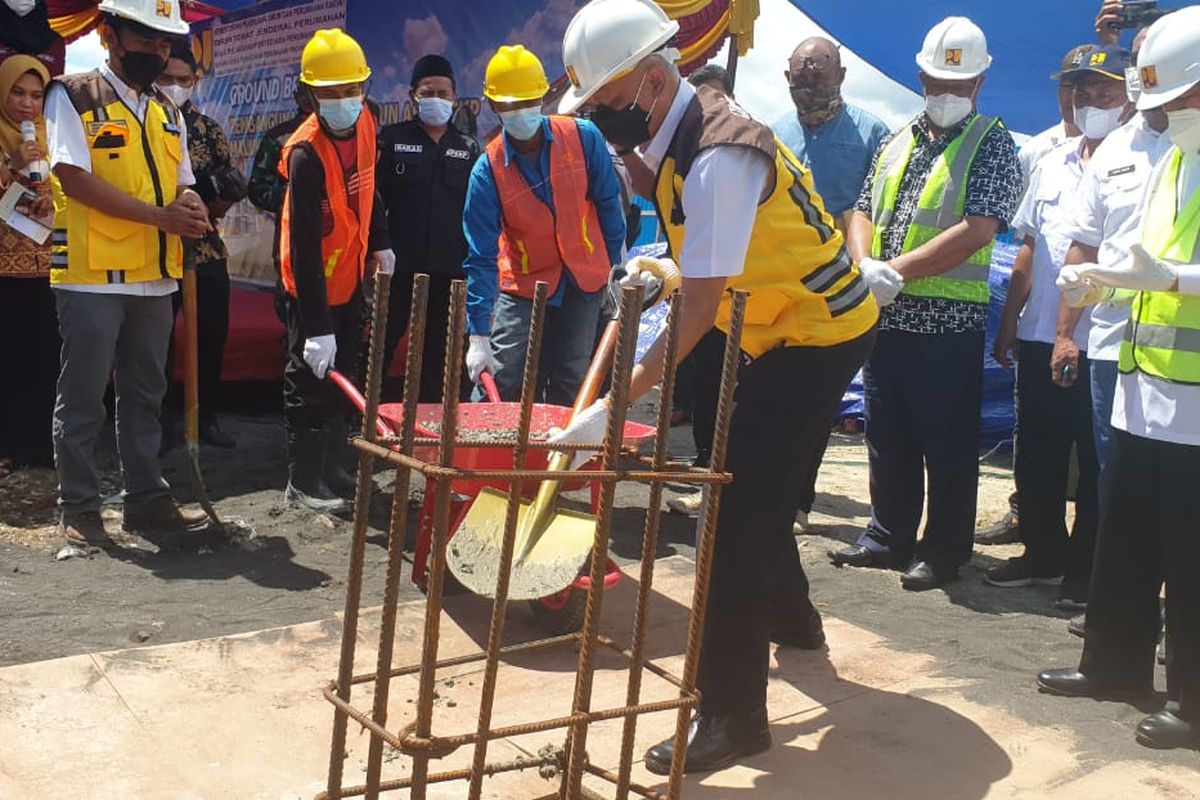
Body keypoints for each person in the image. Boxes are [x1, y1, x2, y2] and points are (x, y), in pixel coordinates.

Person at [555, 0, 878, 773]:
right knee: (751, 488)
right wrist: (666, 264)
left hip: (817, 333)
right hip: (768, 321)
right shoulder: (680, 128)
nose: (600, 119)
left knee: (729, 522)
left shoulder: (719, 154)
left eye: (604, 102)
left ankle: (733, 717)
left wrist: (614, 405)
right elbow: (697, 250)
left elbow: (699, 309)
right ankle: (794, 620)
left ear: (651, 80)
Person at [1040, 7, 1200, 751]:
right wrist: (1101, 282)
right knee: (1125, 540)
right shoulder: (1174, 161)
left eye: (1175, 100)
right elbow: (1139, 255)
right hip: (1143, 386)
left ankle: (1193, 702)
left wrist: (1169, 277)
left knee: (1191, 557)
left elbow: (1167, 269)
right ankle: (1112, 663)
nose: (1161, 114)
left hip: (1196, 406)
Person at [831, 16, 1022, 591]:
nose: (946, 94)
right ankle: (888, 536)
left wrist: (898, 271)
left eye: (957, 86)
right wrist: (867, 265)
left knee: (947, 442)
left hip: (947, 323)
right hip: (887, 316)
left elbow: (979, 228)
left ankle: (943, 551)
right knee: (887, 433)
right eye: (937, 82)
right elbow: (861, 207)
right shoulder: (898, 139)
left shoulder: (992, 142)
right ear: (919, 77)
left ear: (979, 84)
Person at [45, 0, 211, 547]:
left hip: (154, 275)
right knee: (85, 394)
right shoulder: (72, 95)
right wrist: (161, 217)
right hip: (92, 274)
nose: (156, 51)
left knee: (146, 391)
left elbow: (182, 179)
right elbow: (73, 178)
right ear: (111, 34)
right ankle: (80, 505)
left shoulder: (167, 111)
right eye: (145, 40)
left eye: (165, 43)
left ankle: (145, 496)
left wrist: (189, 206)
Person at [988, 45, 1131, 607]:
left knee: (1097, 461)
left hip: (1102, 343)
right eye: (1078, 90)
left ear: (1128, 97)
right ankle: (1042, 554)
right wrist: (1010, 324)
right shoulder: (1051, 160)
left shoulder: (1140, 162)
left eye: (1102, 91)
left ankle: (1087, 571)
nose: (1088, 100)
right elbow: (1027, 248)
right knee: (1037, 454)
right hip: (1039, 334)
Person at [1051, 23, 1172, 636]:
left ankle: (1173, 612)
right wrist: (1067, 331)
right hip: (1111, 347)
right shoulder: (1115, 152)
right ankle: (1124, 616)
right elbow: (1082, 247)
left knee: (1177, 492)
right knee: (1115, 481)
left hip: (1182, 357)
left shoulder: (1190, 147)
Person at [462, 44, 625, 404]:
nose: (521, 112)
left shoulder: (583, 138)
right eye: (510, 104)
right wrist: (478, 335)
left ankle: (558, 456)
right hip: (523, 281)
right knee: (503, 375)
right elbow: (480, 257)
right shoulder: (487, 170)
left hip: (585, 277)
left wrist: (614, 268)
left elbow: (609, 205)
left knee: (573, 374)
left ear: (543, 98)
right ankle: (484, 455)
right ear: (493, 106)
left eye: (528, 101)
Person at [277, 28, 392, 514]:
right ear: (311, 95)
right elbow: (303, 246)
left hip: (350, 275)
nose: (344, 100)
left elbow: (369, 187)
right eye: (331, 92)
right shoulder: (305, 155)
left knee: (345, 374)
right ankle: (303, 481)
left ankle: (331, 468)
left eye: (351, 89)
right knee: (310, 379)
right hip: (310, 285)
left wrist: (382, 243)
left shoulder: (367, 121)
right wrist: (316, 326)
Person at [376, 54, 479, 401]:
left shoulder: (467, 149)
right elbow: (377, 202)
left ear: (454, 98)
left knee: (441, 348)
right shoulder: (391, 140)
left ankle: (432, 419)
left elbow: (476, 213)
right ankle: (363, 416)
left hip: (450, 269)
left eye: (444, 93)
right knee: (382, 340)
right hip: (399, 266)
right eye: (428, 91)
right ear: (413, 96)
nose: (436, 98)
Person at [158, 41, 242, 449]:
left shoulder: (209, 129)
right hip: (154, 252)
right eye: (166, 79)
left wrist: (207, 206)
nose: (175, 86)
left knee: (211, 335)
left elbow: (230, 186)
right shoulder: (144, 123)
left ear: (195, 81)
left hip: (205, 250)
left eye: (183, 80)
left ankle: (206, 417)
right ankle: (159, 423)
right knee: (156, 341)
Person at [0, 54, 57, 473]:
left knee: (45, 356)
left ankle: (41, 443)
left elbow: (75, 186)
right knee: (7, 357)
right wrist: (11, 164)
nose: (27, 104)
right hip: (2, 271)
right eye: (17, 92)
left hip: (49, 267)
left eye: (36, 95)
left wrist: (52, 197)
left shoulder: (52, 135)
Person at [773, 37, 890, 230]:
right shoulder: (774, 135)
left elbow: (884, 206)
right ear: (788, 78)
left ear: (840, 75)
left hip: (847, 253)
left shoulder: (872, 134)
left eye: (819, 79)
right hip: (788, 250)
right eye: (801, 80)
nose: (810, 87)